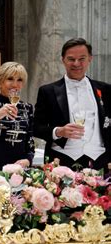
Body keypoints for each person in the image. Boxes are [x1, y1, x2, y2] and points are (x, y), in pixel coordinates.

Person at [34, 38, 111, 171]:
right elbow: (36, 127)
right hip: (62, 161)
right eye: (71, 59)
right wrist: (58, 131)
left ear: (90, 59)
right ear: (63, 59)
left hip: (100, 160)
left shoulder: (106, 90)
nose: (76, 63)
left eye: (82, 58)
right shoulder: (47, 91)